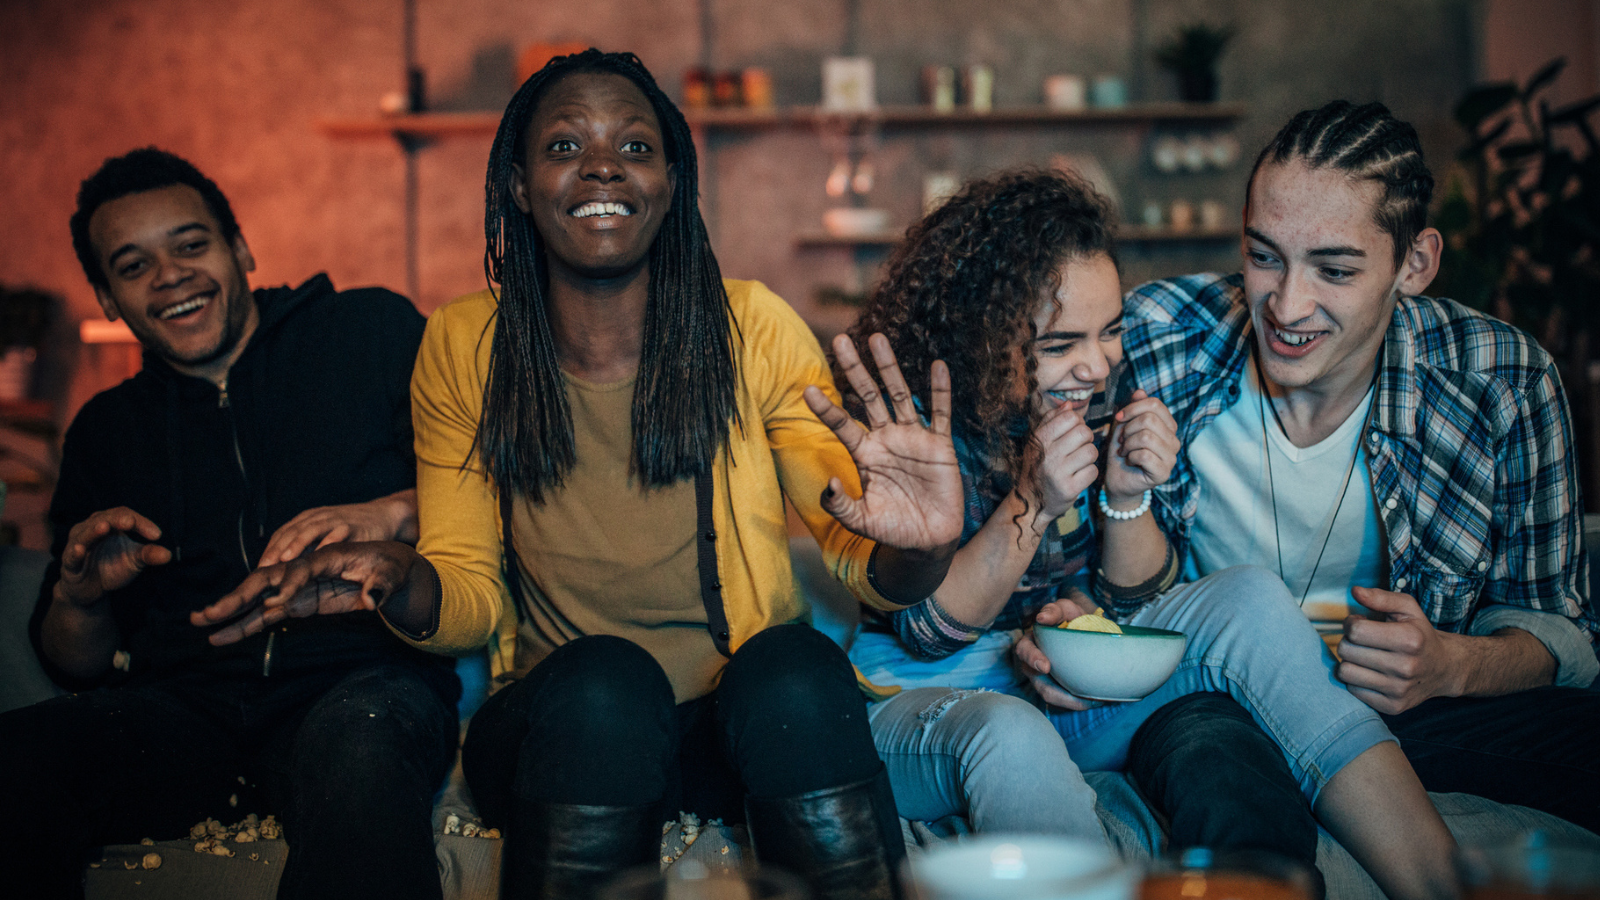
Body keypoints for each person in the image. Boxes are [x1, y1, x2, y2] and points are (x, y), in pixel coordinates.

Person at [195, 50, 964, 900]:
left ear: (671, 182)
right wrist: (402, 578)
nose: (602, 163)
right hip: (559, 730)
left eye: (635, 147)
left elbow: (865, 562)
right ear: (519, 187)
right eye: (564, 147)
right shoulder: (463, 347)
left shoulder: (752, 329)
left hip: (731, 732)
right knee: (607, 679)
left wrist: (921, 549)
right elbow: (469, 602)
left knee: (797, 663)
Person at [849, 169, 1457, 900]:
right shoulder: (915, 426)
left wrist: (1124, 502)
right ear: (984, 336)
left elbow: (1125, 596)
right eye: (1060, 343)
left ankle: (1443, 886)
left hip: (1053, 698)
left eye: (1109, 333)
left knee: (1252, 601)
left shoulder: (1072, 410)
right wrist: (1034, 502)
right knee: (1008, 731)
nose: (1097, 364)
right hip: (918, 715)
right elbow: (924, 630)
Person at [1077, 99, 1600, 848]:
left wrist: (1451, 665)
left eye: (1335, 269)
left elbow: (1559, 627)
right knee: (1215, 771)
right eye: (1264, 257)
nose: (1286, 306)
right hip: (1213, 697)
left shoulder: (1503, 378)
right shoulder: (1155, 339)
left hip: (1407, 709)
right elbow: (1081, 560)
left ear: (1414, 264)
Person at [0, 148, 460, 900]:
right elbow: (75, 665)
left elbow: (490, 492)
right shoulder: (104, 431)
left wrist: (395, 512)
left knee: (361, 759)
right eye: (133, 265)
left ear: (240, 249)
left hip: (362, 684)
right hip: (186, 712)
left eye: (190, 244)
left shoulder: (368, 333)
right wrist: (79, 598)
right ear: (109, 298)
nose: (171, 275)